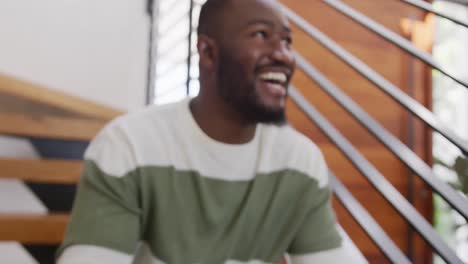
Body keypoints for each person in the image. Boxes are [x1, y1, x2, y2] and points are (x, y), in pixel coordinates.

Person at [57, 0, 365, 263]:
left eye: (287, 41)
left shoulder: (299, 161)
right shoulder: (129, 146)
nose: (283, 55)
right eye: (261, 35)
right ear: (207, 52)